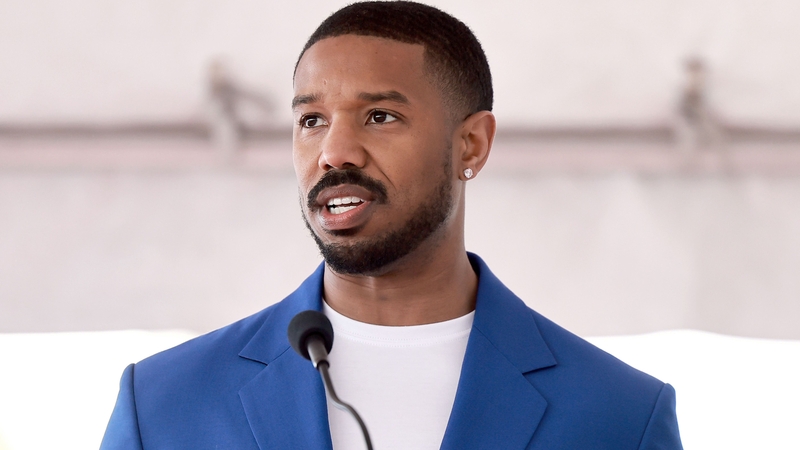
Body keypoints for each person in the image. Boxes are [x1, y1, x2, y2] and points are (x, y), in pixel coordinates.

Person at [101, 2, 683, 449]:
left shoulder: (619, 414)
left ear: (471, 144)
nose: (335, 152)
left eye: (380, 117)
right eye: (311, 119)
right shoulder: (162, 404)